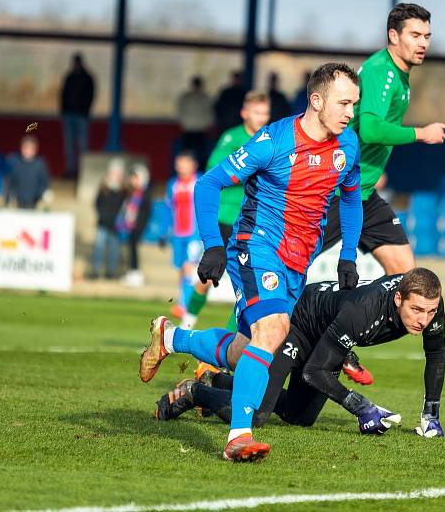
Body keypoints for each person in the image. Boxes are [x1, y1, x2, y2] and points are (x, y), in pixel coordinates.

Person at [139, 62, 364, 462]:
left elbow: (349, 197)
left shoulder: (347, 147)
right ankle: (237, 437)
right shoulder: (273, 141)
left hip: (298, 262)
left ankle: (171, 338)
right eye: (344, 103)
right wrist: (212, 245)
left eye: (354, 104)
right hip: (256, 247)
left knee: (246, 350)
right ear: (316, 100)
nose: (350, 113)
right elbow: (209, 182)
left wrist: (347, 255)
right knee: (274, 330)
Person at [155, 269, 445, 441]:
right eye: (416, 310)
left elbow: (436, 354)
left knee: (300, 416)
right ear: (398, 298)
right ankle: (195, 393)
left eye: (430, 311)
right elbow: (313, 372)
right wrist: (361, 407)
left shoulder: (431, 305)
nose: (423, 319)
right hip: (299, 323)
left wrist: (430, 413)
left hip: (329, 334)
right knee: (256, 415)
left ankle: (219, 381)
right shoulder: (363, 311)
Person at [322, 3, 445, 276]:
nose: (423, 43)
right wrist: (421, 133)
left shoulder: (399, 75)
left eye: (426, 36)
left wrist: (376, 168)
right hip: (336, 191)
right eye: (415, 35)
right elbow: (371, 130)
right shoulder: (383, 71)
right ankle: (245, 320)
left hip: (363, 191)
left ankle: (383, 320)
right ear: (393, 36)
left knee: (405, 274)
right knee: (284, 272)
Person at [180, 90, 271, 330]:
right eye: (257, 112)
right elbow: (214, 171)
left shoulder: (269, 139)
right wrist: (247, 169)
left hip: (252, 220)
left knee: (248, 282)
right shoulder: (231, 138)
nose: (261, 117)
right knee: (209, 276)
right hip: (225, 217)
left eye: (265, 113)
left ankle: (233, 340)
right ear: (244, 113)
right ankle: (187, 323)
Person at [166, 152, 201, 316]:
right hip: (178, 233)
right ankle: (183, 302)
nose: (180, 167)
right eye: (178, 164)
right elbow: (169, 208)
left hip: (194, 233)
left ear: (193, 165)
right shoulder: (173, 184)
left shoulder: (199, 182)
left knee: (189, 267)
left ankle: (185, 306)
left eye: (184, 164)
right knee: (181, 268)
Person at [89, 159, 126, 280]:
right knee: (99, 247)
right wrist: (103, 215)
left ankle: (111, 272)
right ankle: (95, 270)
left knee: (114, 249)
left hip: (116, 225)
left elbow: (125, 207)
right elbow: (97, 203)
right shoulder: (104, 187)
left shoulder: (123, 190)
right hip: (103, 223)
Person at [116, 164, 152, 287]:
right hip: (130, 225)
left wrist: (137, 223)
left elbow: (145, 211)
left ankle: (135, 273)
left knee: (133, 247)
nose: (133, 180)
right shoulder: (131, 192)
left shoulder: (145, 193)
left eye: (135, 178)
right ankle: (132, 271)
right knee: (130, 247)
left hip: (138, 226)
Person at [60, 53, 95, 178]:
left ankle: (83, 171)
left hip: (81, 115)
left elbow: (91, 95)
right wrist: (64, 111)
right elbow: (63, 94)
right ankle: (71, 171)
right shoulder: (69, 77)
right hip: (69, 114)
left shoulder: (87, 78)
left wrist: (85, 110)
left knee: (83, 145)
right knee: (69, 145)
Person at [176, 76, 212, 170]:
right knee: (201, 154)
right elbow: (209, 113)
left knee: (186, 154)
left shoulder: (186, 97)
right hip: (200, 129)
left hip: (189, 129)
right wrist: (206, 124)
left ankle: (186, 170)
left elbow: (180, 112)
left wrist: (183, 123)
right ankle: (200, 172)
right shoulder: (205, 97)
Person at [5, 135, 49, 209]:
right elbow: (9, 181)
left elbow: (44, 182)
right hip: (17, 201)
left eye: (31, 149)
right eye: (25, 148)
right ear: (21, 148)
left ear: (35, 150)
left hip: (34, 201)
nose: (28, 151)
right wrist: (9, 198)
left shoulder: (40, 164)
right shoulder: (14, 162)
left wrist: (39, 196)